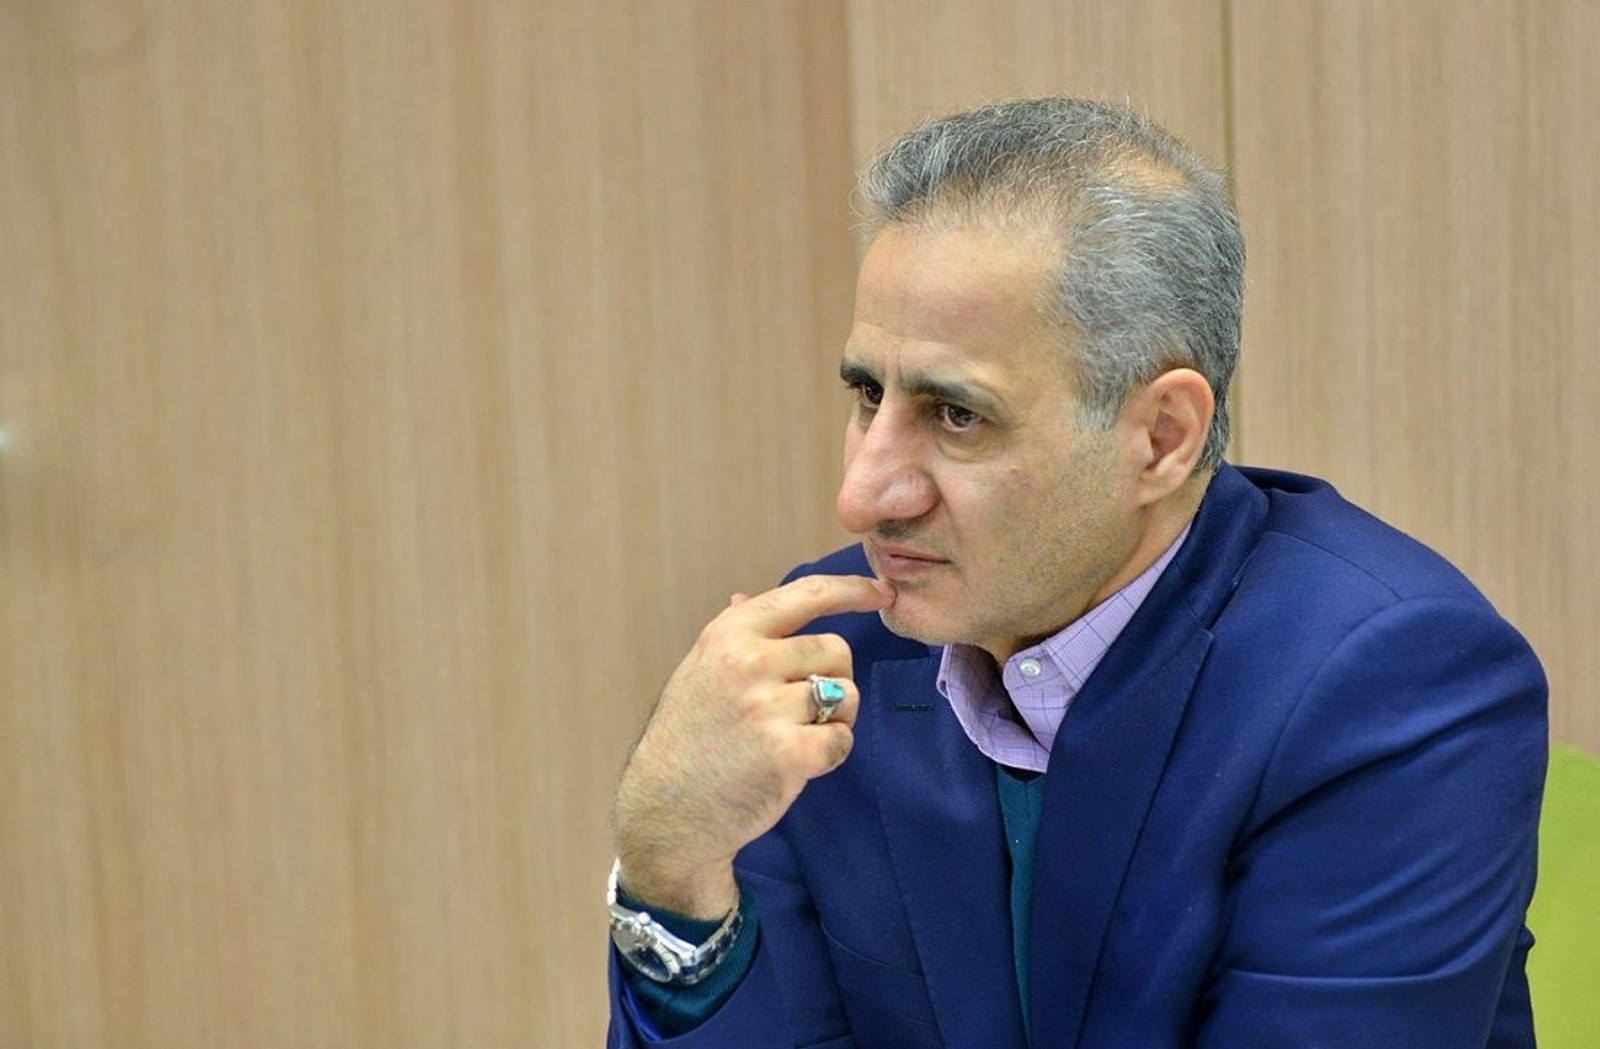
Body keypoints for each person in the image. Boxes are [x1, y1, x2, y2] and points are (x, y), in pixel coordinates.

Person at [604, 97, 1547, 1048]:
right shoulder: (828, 658)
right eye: (867, 394)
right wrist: (669, 868)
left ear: (1161, 438)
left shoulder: (1390, 685)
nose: (862, 496)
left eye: (957, 416)